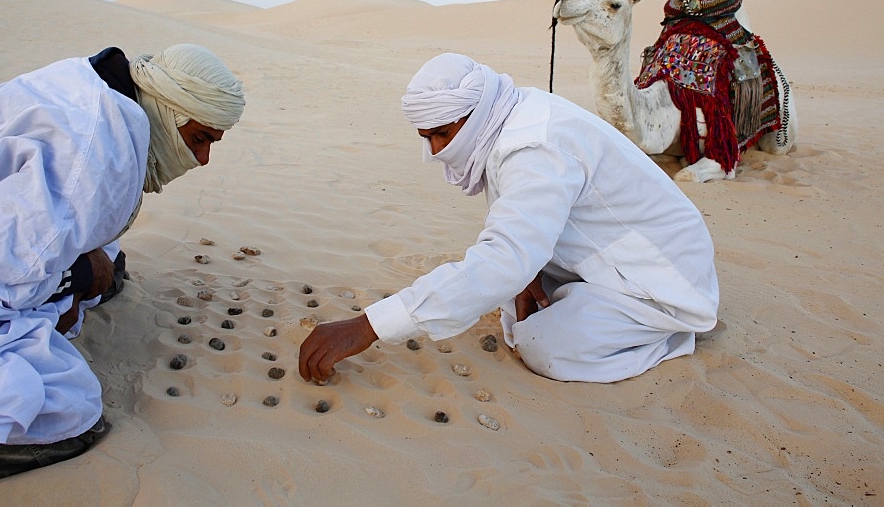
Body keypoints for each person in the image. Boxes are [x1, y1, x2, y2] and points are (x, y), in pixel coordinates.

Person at [0, 44, 245, 487]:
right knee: (65, 404)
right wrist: (74, 280)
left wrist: (78, 271)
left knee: (106, 258)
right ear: (167, 111)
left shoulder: (93, 86)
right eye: (199, 139)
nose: (202, 159)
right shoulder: (97, 157)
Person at [299, 53, 718, 386]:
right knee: (509, 299)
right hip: (601, 253)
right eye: (425, 137)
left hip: (660, 278)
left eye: (441, 134)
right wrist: (527, 271)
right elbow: (516, 230)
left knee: (543, 347)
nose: (434, 151)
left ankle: (667, 332)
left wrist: (368, 325)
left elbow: (504, 257)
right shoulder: (509, 114)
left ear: (474, 115)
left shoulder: (533, 146)